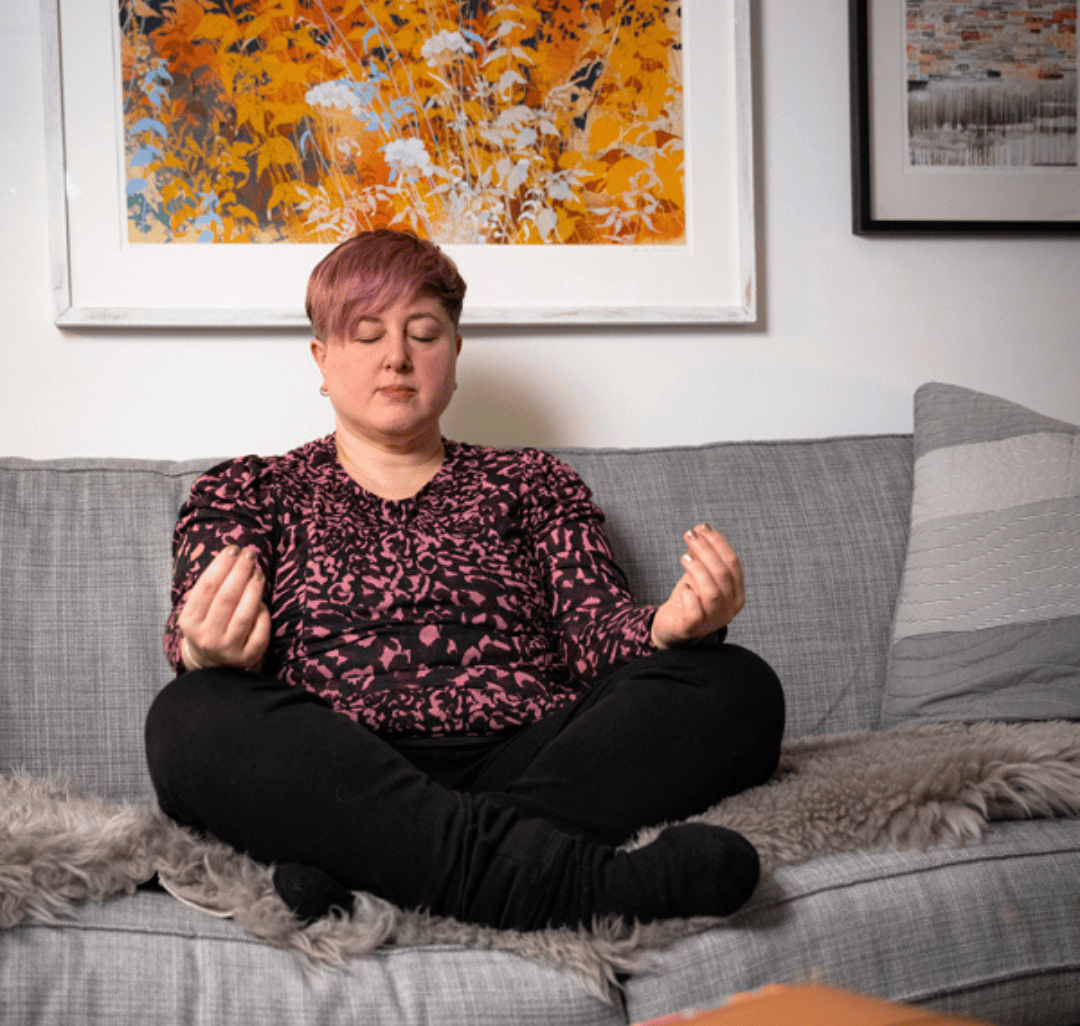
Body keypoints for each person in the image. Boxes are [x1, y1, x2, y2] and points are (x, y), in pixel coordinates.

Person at [144, 229, 785, 932]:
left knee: (736, 686)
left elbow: (594, 630)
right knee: (190, 718)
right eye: (366, 335)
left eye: (424, 333)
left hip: (528, 753)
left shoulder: (531, 481)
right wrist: (208, 651)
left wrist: (671, 625)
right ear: (322, 359)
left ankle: (374, 868)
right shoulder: (251, 489)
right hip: (339, 769)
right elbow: (195, 643)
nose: (397, 356)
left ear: (453, 355)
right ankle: (583, 885)